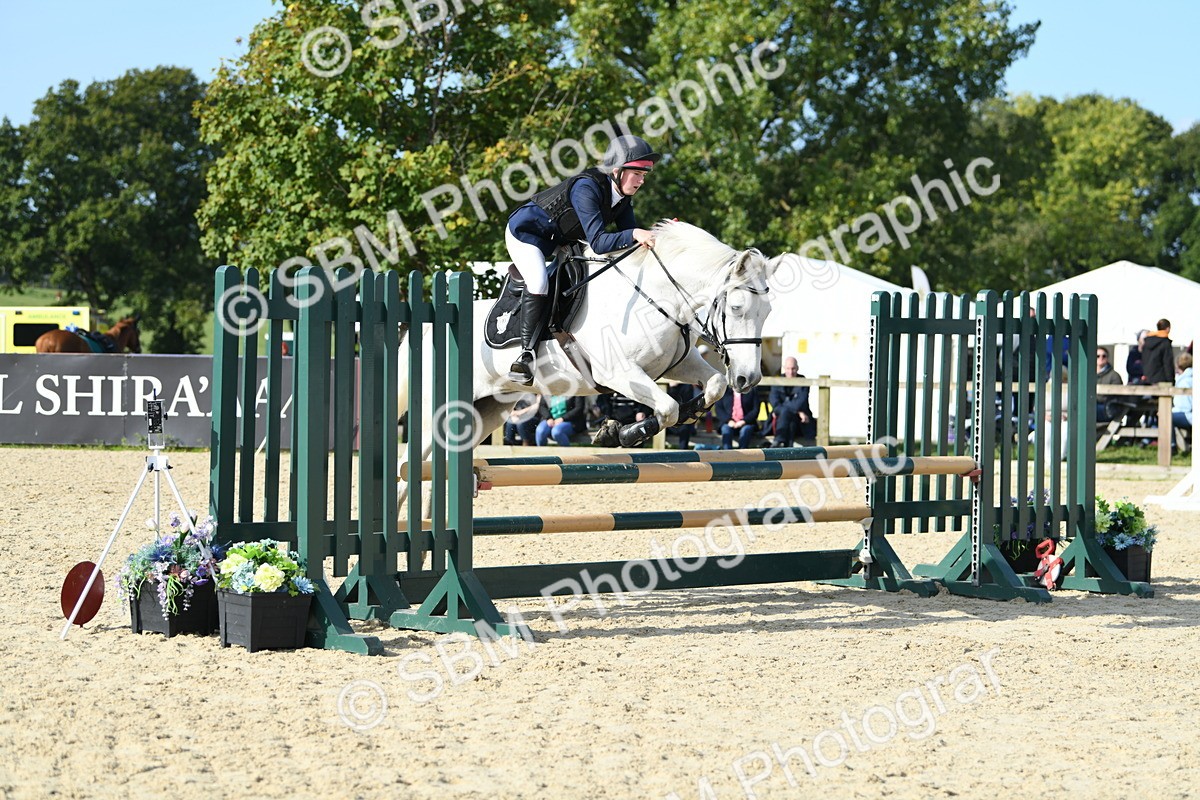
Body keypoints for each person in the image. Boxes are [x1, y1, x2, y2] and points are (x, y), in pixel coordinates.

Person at [503, 134, 662, 385]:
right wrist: (634, 233)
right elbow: (600, 243)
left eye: (644, 175)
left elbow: (626, 245)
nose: (642, 181)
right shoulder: (586, 187)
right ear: (618, 170)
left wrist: (657, 237)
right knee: (539, 281)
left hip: (561, 238)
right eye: (637, 174)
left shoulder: (622, 198)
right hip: (528, 233)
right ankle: (526, 356)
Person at [768, 357, 816, 446]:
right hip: (783, 421)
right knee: (788, 417)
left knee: (787, 415)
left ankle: (779, 441)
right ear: (784, 368)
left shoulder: (803, 381)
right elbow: (774, 403)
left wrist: (794, 410)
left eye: (793, 368)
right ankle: (788, 451)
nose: (790, 372)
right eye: (788, 368)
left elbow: (800, 402)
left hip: (801, 423)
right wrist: (798, 412)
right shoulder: (777, 381)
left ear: (797, 368)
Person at [665, 381, 699, 449]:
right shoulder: (664, 385)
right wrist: (672, 388)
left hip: (682, 420)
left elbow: (686, 406)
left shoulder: (687, 386)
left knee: (685, 428)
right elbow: (666, 404)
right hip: (668, 420)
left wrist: (673, 388)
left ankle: (683, 453)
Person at [1142, 319, 1175, 385]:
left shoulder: (1147, 342)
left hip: (1147, 379)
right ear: (1168, 328)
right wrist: (1171, 380)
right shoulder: (1165, 343)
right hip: (1161, 380)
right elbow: (1167, 363)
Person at [1095, 346, 1124, 422]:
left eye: (1104, 356)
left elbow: (1116, 397)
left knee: (1086, 410)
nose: (1101, 358)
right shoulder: (1088, 374)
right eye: (1097, 356)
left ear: (1107, 358)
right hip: (1092, 405)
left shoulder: (1114, 375)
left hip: (1107, 407)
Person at [1173, 353, 1193, 433]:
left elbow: (1185, 406)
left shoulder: (1184, 381)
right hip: (1189, 414)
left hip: (1189, 415)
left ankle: (1171, 444)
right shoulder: (1191, 377)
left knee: (1165, 416)